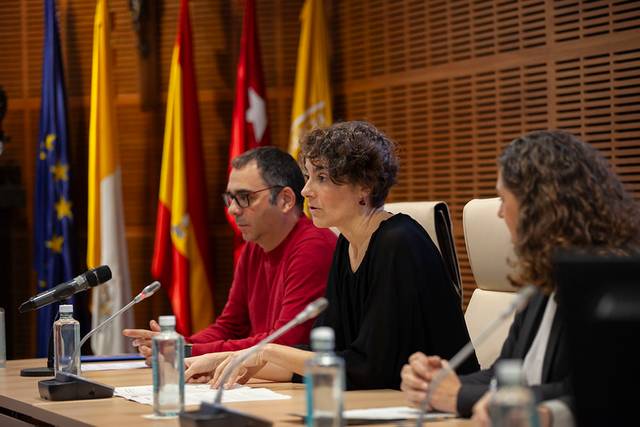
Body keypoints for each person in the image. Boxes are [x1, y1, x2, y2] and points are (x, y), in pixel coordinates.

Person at [184, 121, 478, 389]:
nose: (306, 191)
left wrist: (266, 351)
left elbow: (368, 368)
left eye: (322, 177)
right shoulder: (346, 245)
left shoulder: (399, 244)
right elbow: (324, 357)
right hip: (386, 403)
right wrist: (228, 360)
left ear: (365, 186)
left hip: (447, 410)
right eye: (308, 177)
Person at [400, 130, 640, 425]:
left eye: (503, 198)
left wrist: (459, 395)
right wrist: (439, 382)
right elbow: (504, 374)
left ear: (537, 204)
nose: (500, 213)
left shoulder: (608, 282)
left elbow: (588, 391)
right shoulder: (542, 279)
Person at [123, 147, 337, 359]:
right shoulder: (253, 247)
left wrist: (188, 351)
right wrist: (178, 344)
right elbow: (230, 326)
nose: (232, 209)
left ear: (285, 200)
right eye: (230, 198)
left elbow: (285, 343)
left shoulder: (313, 246)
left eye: (245, 197)